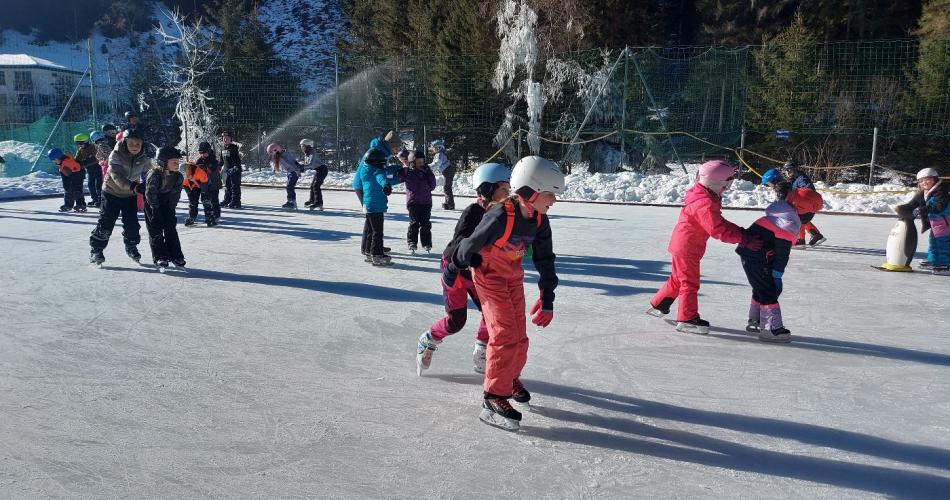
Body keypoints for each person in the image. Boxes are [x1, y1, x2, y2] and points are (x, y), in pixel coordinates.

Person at [442, 156, 562, 431]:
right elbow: (469, 244)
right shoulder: (500, 215)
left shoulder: (540, 220)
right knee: (504, 333)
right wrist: (452, 269)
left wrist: (547, 296)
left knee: (519, 333)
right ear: (531, 192)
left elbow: (546, 260)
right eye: (550, 194)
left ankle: (509, 377)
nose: (553, 201)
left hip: (512, 277)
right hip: (488, 277)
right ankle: (494, 396)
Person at [647, 160, 763, 334]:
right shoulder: (705, 204)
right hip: (687, 247)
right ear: (715, 182)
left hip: (684, 244)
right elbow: (717, 229)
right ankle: (687, 319)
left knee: (678, 278)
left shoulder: (703, 195)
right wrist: (744, 239)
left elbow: (718, 222)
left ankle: (659, 304)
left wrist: (741, 232)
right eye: (726, 184)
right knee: (689, 282)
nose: (727, 188)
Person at [417, 162, 511, 376]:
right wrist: (469, 260)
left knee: (492, 311)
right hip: (456, 270)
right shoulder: (473, 212)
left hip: (479, 272)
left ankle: (481, 350)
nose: (508, 194)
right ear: (487, 189)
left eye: (508, 189)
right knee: (456, 321)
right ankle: (429, 338)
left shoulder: (504, 213)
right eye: (503, 189)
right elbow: (458, 244)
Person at [736, 190, 800, 343]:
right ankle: (770, 328)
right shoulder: (788, 223)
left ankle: (756, 320)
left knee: (761, 287)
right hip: (755, 256)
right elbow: (782, 254)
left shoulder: (781, 214)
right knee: (769, 289)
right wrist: (777, 273)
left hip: (755, 255)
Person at [89, 129, 151, 265]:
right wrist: (134, 187)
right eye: (131, 143)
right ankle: (96, 249)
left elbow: (150, 173)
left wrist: (152, 184)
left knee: (132, 224)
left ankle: (131, 245)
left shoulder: (144, 158)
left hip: (129, 194)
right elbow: (116, 176)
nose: (135, 146)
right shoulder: (115, 155)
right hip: (111, 192)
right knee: (106, 222)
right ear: (124, 142)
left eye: (138, 144)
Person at [353, 131, 403, 261]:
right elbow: (378, 173)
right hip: (363, 186)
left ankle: (372, 247)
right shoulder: (377, 152)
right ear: (391, 144)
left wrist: (397, 174)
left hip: (367, 184)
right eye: (397, 147)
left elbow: (382, 172)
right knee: (372, 220)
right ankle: (370, 248)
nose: (398, 150)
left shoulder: (382, 150)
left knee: (371, 218)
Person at [895, 168, 950, 274]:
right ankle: (934, 260)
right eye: (921, 180)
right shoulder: (924, 193)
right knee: (933, 243)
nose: (924, 182)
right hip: (937, 224)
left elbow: (939, 207)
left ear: (934, 179)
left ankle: (946, 265)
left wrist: (921, 210)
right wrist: (901, 209)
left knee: (943, 243)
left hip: (946, 222)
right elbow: (912, 204)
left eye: (927, 179)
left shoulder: (941, 191)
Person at [145, 147, 186, 269]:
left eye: (178, 162)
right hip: (152, 203)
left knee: (170, 228)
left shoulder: (178, 176)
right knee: (156, 229)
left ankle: (176, 255)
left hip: (167, 203)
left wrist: (171, 209)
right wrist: (155, 210)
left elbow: (175, 194)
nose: (177, 164)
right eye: (174, 162)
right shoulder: (155, 174)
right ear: (163, 162)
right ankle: (160, 256)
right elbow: (150, 193)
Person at [781, 160, 825, 246]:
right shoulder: (795, 179)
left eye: (786, 171)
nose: (786, 173)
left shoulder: (801, 178)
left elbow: (807, 188)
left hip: (808, 204)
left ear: (791, 170)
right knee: (803, 220)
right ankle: (815, 235)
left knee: (799, 219)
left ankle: (801, 240)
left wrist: (801, 193)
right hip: (806, 205)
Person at [403, 150, 437, 253]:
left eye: (422, 162)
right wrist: (409, 169)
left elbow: (432, 186)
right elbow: (410, 184)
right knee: (414, 223)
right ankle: (412, 242)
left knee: (426, 224)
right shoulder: (409, 173)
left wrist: (429, 174)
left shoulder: (427, 172)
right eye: (419, 162)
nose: (421, 164)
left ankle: (426, 243)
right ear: (413, 163)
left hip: (426, 203)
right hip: (414, 203)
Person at [48, 148, 86, 212]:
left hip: (77, 177)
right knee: (68, 191)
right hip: (68, 177)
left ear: (58, 158)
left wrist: (73, 179)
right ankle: (68, 205)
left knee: (77, 191)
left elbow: (77, 168)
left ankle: (81, 204)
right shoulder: (61, 162)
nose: (54, 162)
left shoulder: (67, 162)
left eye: (54, 160)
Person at [267, 143, 300, 209]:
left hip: (293, 172)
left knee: (290, 186)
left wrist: (297, 170)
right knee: (289, 186)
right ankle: (291, 201)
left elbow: (291, 163)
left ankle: (291, 202)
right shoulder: (282, 155)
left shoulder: (283, 156)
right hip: (291, 172)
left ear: (276, 150)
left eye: (271, 153)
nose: (271, 155)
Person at [196, 141, 221, 226]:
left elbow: (213, 170)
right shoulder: (199, 160)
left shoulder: (213, 160)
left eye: (205, 153)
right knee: (205, 201)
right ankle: (208, 216)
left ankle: (216, 215)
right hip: (204, 186)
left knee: (214, 200)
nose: (203, 155)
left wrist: (206, 168)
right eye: (201, 153)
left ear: (209, 151)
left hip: (213, 184)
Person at [300, 138, 329, 210]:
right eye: (301, 146)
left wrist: (303, 167)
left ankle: (318, 203)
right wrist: (300, 167)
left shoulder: (313, 152)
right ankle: (312, 200)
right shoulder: (307, 153)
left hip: (322, 169)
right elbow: (307, 164)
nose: (301, 148)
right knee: (312, 186)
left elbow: (311, 164)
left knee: (316, 186)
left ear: (307, 146)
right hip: (318, 170)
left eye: (303, 146)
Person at [74, 133, 101, 207]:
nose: (79, 145)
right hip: (90, 170)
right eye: (77, 144)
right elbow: (77, 159)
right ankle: (94, 199)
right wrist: (75, 164)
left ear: (86, 142)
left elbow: (95, 159)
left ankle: (100, 200)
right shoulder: (80, 149)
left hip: (98, 169)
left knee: (98, 185)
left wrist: (83, 163)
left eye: (81, 143)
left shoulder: (93, 147)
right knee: (90, 185)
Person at [182, 157, 209, 226]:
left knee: (205, 200)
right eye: (184, 174)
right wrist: (189, 194)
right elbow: (185, 186)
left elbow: (203, 187)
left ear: (189, 169)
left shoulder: (200, 173)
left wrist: (194, 180)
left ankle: (209, 217)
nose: (186, 175)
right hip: (192, 186)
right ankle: (192, 217)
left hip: (203, 184)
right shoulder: (183, 177)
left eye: (187, 173)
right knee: (192, 201)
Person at [220, 130, 243, 209]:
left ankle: (236, 201)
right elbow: (221, 161)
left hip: (235, 170)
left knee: (235, 186)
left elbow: (237, 160)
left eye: (227, 138)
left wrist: (236, 167)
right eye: (224, 138)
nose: (225, 139)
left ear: (231, 139)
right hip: (227, 171)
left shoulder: (233, 148)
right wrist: (217, 166)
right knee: (228, 186)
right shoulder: (222, 148)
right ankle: (227, 200)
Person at [429, 139, 454, 210]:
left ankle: (450, 204)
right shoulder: (438, 155)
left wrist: (428, 167)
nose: (432, 149)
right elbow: (434, 164)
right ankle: (449, 203)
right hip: (447, 171)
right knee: (447, 187)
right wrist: (428, 166)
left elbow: (436, 164)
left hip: (448, 171)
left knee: (447, 187)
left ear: (438, 148)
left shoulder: (439, 155)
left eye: (434, 148)